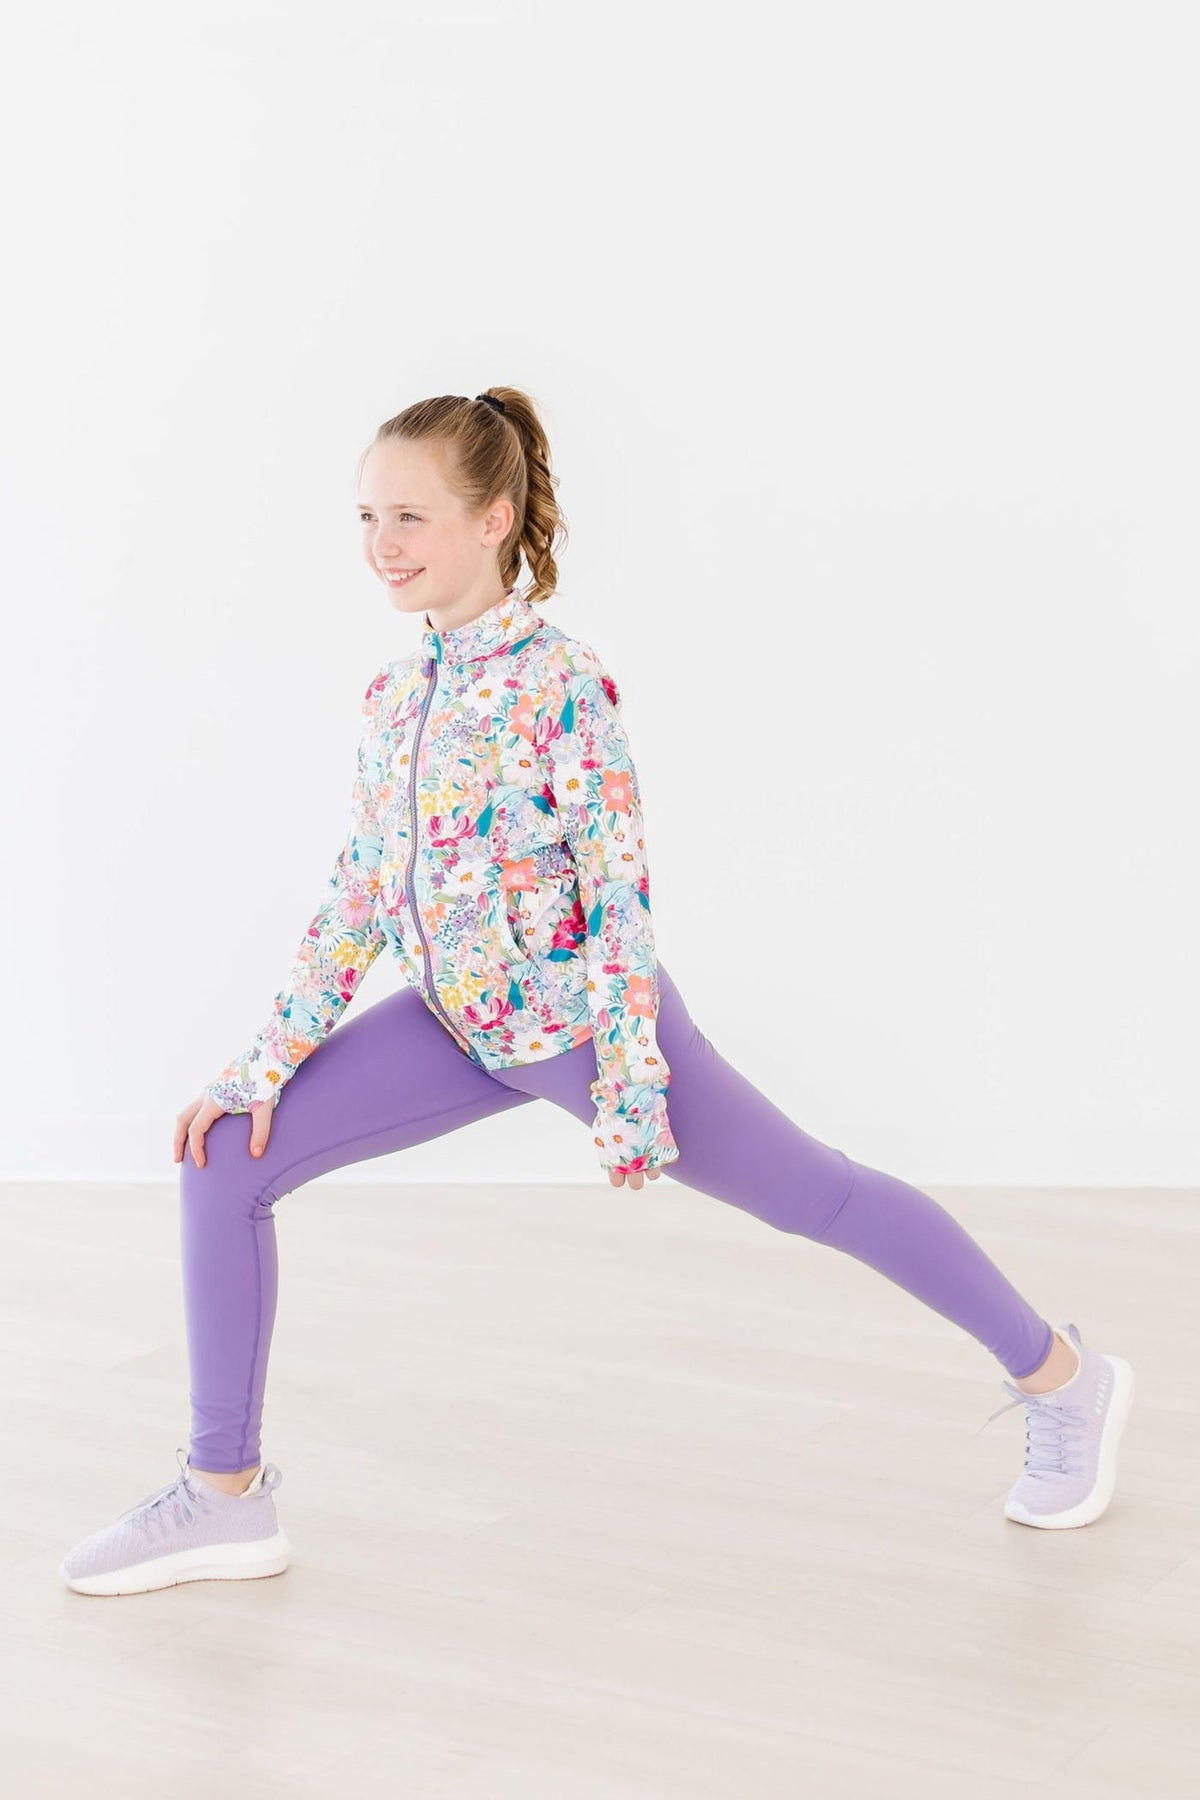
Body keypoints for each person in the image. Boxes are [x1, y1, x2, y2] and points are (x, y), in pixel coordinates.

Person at [60, 389, 1135, 1597]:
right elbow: (361, 891)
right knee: (222, 1158)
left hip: (583, 1027)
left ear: (492, 519)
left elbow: (619, 897)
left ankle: (1062, 1377)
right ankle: (223, 1496)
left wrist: (629, 1083)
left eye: (410, 516)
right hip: (455, 1027)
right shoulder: (395, 696)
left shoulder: (562, 683)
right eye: (366, 517)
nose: (381, 544)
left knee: (815, 1195)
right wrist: (262, 1064)